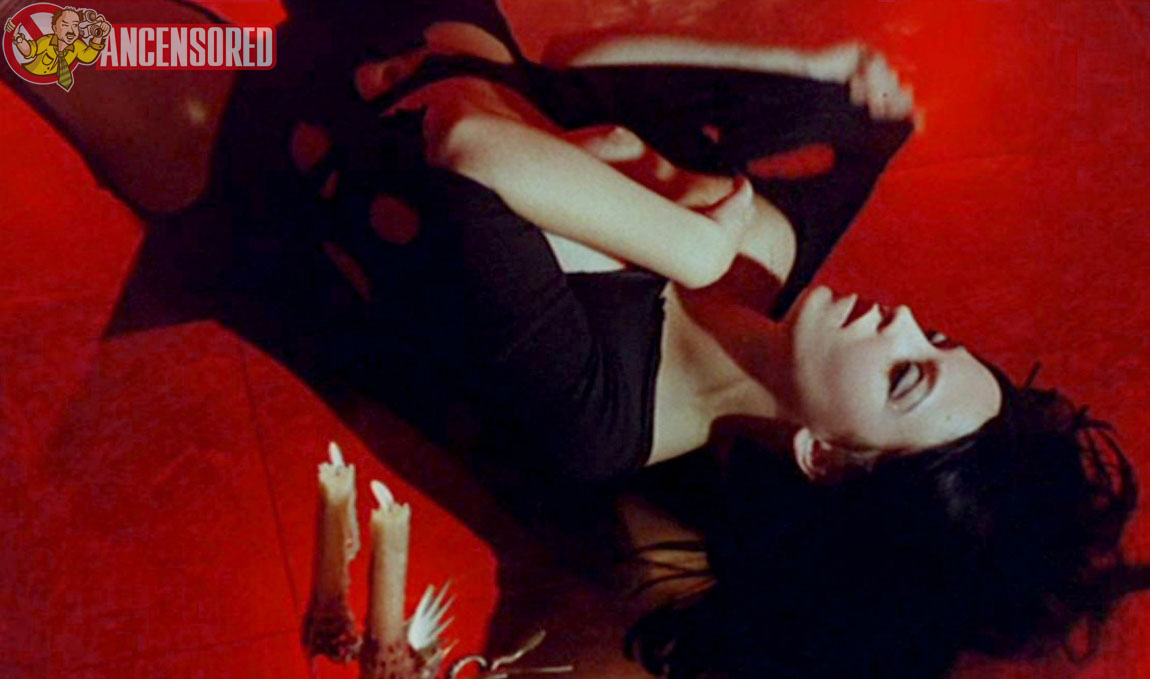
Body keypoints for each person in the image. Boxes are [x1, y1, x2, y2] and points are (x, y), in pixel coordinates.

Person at [2, 1, 1144, 678]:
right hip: (410, 13)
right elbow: (583, 62)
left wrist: (689, 233)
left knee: (34, 22)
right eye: (937, 336)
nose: (899, 318)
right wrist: (798, 74)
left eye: (906, 375)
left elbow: (464, 140)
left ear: (825, 460)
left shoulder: (601, 416)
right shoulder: (782, 252)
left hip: (236, 126)